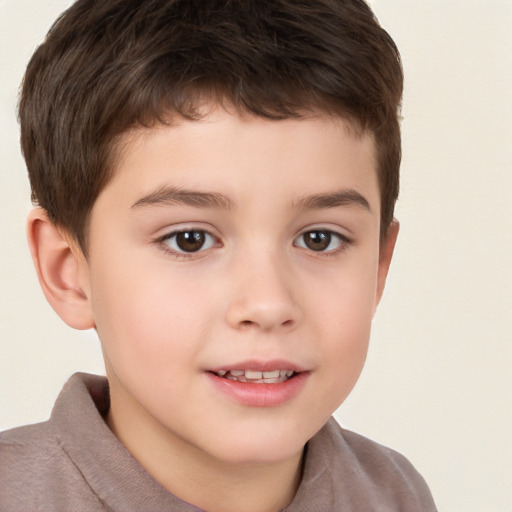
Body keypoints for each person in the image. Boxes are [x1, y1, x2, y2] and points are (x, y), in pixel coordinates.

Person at [0, 0, 437, 510]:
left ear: (379, 269)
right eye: (190, 239)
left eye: (320, 239)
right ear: (69, 270)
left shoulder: (393, 493)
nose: (268, 304)